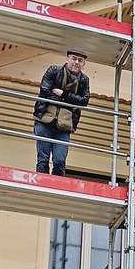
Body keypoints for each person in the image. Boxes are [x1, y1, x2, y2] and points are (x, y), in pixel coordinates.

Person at [33, 47, 90, 176]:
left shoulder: (84, 80)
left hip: (64, 125)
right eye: (74, 58)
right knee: (43, 159)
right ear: (67, 59)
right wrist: (72, 101)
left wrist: (63, 94)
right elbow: (45, 91)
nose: (76, 62)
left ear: (83, 64)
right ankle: (42, 185)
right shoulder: (54, 70)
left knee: (59, 161)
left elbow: (84, 101)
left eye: (80, 60)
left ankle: (56, 185)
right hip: (44, 119)